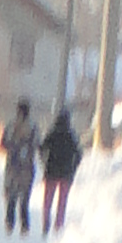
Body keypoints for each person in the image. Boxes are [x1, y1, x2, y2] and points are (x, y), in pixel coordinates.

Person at [38, 98, 81, 233]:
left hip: (51, 172)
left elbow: (42, 148)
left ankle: (46, 224)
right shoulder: (71, 135)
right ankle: (58, 225)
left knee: (47, 201)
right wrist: (73, 168)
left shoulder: (52, 133)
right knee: (62, 202)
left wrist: (44, 163)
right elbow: (78, 154)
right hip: (66, 174)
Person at [0, 98, 37, 234]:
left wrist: (13, 147)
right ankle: (24, 225)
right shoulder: (33, 127)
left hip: (12, 166)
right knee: (25, 198)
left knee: (11, 196)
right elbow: (37, 144)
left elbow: (3, 144)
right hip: (27, 167)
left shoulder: (11, 125)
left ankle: (9, 223)